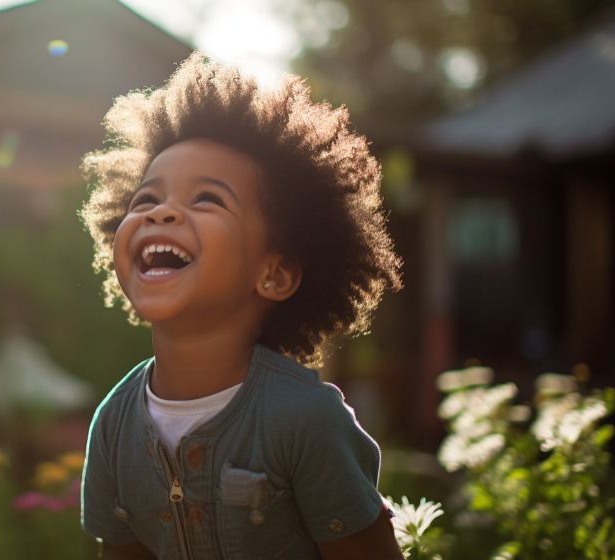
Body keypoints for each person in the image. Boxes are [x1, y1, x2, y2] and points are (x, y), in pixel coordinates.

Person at [78, 51, 405, 560]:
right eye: (145, 200)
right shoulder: (113, 424)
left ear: (273, 274)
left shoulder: (306, 420)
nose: (161, 212)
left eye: (206, 199)